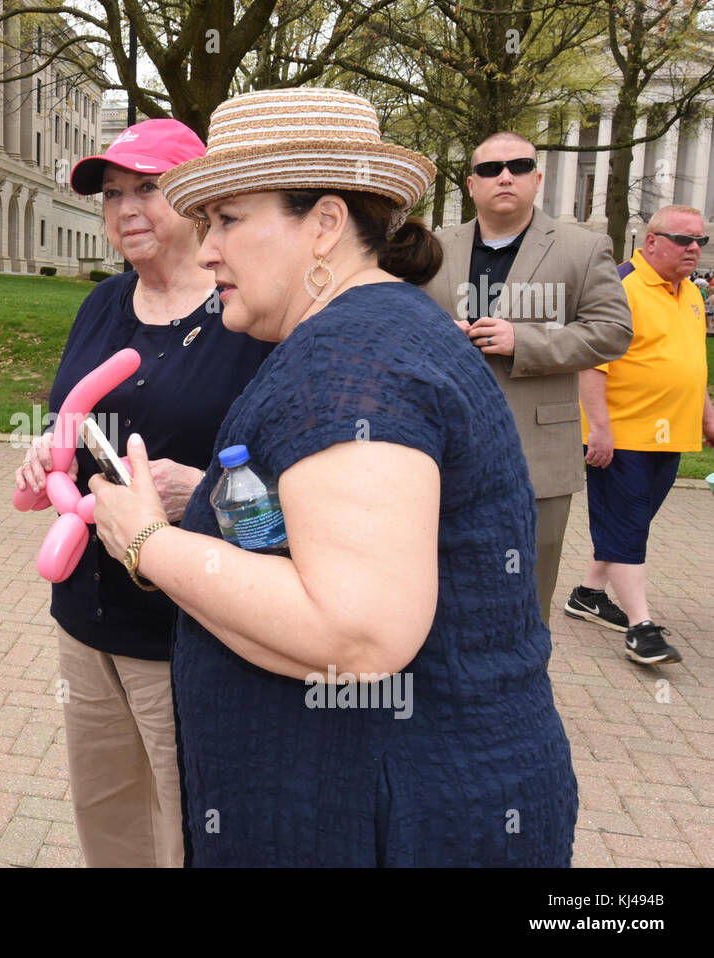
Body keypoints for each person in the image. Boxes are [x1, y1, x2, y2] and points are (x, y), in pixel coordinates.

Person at [92, 88, 578, 866]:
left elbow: (356, 635)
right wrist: (205, 508)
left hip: (384, 818)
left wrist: (145, 541)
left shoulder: (351, 362)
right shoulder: (374, 331)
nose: (208, 248)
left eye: (227, 220)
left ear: (323, 224)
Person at [13, 118, 274, 867]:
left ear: (197, 200)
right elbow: (74, 414)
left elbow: (296, 473)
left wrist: (205, 489)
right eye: (111, 194)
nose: (125, 209)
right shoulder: (103, 304)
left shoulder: (249, 314)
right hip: (86, 614)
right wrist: (46, 452)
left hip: (184, 625)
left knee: (188, 819)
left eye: (148, 189)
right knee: (107, 811)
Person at [420, 131, 632, 627]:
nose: (505, 176)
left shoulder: (584, 248)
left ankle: (519, 694)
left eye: (518, 166)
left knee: (523, 601)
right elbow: (394, 316)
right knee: (435, 586)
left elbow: (613, 333)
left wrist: (526, 342)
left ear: (537, 178)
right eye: (491, 170)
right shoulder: (433, 248)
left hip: (536, 453)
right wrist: (435, 331)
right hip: (440, 449)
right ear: (471, 185)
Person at [568, 204, 714, 665]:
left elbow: (692, 363)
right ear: (651, 241)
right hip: (624, 433)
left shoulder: (690, 292)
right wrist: (600, 430)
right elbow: (591, 362)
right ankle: (641, 627)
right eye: (683, 239)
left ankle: (588, 594)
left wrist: (706, 415)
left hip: (670, 435)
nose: (694, 249)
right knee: (628, 526)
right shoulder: (620, 285)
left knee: (629, 523)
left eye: (701, 242)